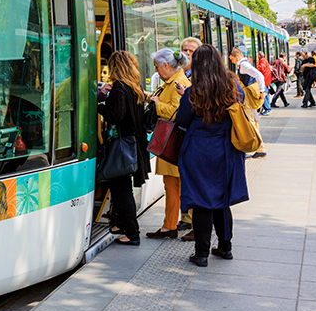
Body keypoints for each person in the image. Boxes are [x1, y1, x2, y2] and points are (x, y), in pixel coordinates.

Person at [174, 45, 249, 267]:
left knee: (201, 201)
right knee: (222, 200)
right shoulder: (233, 86)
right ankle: (225, 247)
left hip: (199, 151)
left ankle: (202, 253)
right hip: (226, 149)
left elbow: (182, 121)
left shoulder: (193, 92)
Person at [97, 51, 151, 245]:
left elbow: (115, 116)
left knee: (122, 189)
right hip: (132, 144)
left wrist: (99, 105)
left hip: (122, 147)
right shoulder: (134, 87)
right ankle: (120, 223)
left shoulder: (119, 88)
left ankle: (133, 233)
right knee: (118, 185)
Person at [145, 48, 191, 240]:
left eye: (157, 67)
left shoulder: (178, 83)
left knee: (173, 187)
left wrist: (156, 104)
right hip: (172, 142)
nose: (156, 71)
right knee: (172, 186)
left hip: (173, 142)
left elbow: (176, 111)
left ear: (166, 65)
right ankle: (169, 225)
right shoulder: (173, 81)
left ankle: (169, 226)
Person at [229, 48, 267, 158]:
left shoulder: (244, 65)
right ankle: (260, 148)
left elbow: (259, 75)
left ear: (237, 56)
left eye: (232, 59)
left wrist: (262, 90)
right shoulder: (244, 64)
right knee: (252, 121)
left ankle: (258, 147)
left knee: (249, 121)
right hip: (248, 97)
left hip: (247, 98)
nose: (232, 61)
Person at [256, 52, 272, 116]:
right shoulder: (265, 60)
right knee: (266, 94)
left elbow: (261, 68)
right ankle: (268, 108)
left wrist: (256, 65)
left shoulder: (262, 61)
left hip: (264, 81)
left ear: (259, 56)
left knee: (264, 95)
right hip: (266, 80)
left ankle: (267, 109)